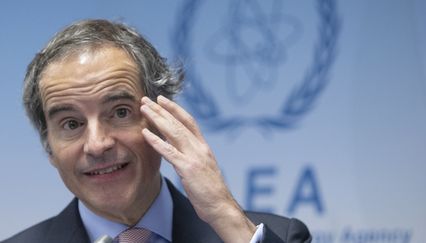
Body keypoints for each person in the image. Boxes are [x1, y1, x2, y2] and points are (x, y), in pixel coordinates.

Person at [2, 19, 311, 243]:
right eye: (71, 124)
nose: (97, 145)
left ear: (164, 121)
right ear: (49, 147)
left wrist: (225, 217)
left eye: (120, 112)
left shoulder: (272, 236)